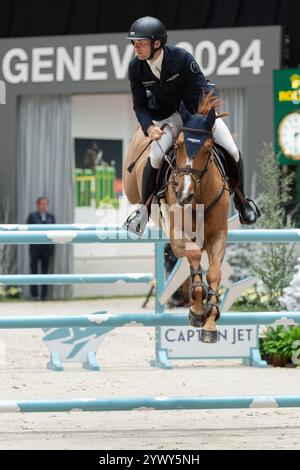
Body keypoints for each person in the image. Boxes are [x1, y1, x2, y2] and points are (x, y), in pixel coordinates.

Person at [124, 16, 260, 235]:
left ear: (157, 43)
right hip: (168, 116)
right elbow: (139, 105)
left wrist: (206, 119)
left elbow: (204, 90)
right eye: (134, 43)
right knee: (156, 156)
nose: (136, 47)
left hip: (196, 112)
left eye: (141, 42)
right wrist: (149, 127)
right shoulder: (135, 68)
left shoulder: (182, 58)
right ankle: (144, 210)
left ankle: (242, 201)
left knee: (231, 149)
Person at [26, 197, 55, 300]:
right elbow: (27, 231)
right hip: (35, 248)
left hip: (46, 249)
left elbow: (54, 233)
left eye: (46, 204)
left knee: (45, 272)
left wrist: (52, 249)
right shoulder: (32, 216)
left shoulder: (51, 216)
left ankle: (44, 295)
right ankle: (34, 295)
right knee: (33, 272)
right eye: (42, 204)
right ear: (38, 205)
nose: (44, 206)